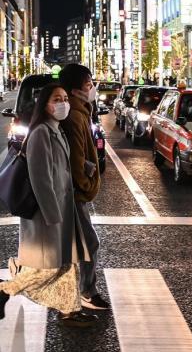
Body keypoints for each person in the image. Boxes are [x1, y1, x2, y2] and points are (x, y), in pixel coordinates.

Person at [0, 84, 97, 327]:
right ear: (45, 104)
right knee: (48, 267)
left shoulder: (56, 129)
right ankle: (4, 290)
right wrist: (52, 215)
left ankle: (69, 311)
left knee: (67, 263)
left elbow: (59, 166)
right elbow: (40, 177)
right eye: (57, 99)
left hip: (62, 209)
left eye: (65, 97)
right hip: (46, 214)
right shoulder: (41, 132)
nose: (63, 103)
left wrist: (84, 166)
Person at [59, 64, 110, 310]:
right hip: (73, 193)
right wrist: (86, 184)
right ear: (75, 90)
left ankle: (75, 295)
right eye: (88, 85)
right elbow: (75, 159)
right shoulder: (75, 116)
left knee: (76, 245)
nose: (92, 89)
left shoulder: (80, 112)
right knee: (88, 243)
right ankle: (85, 292)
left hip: (73, 192)